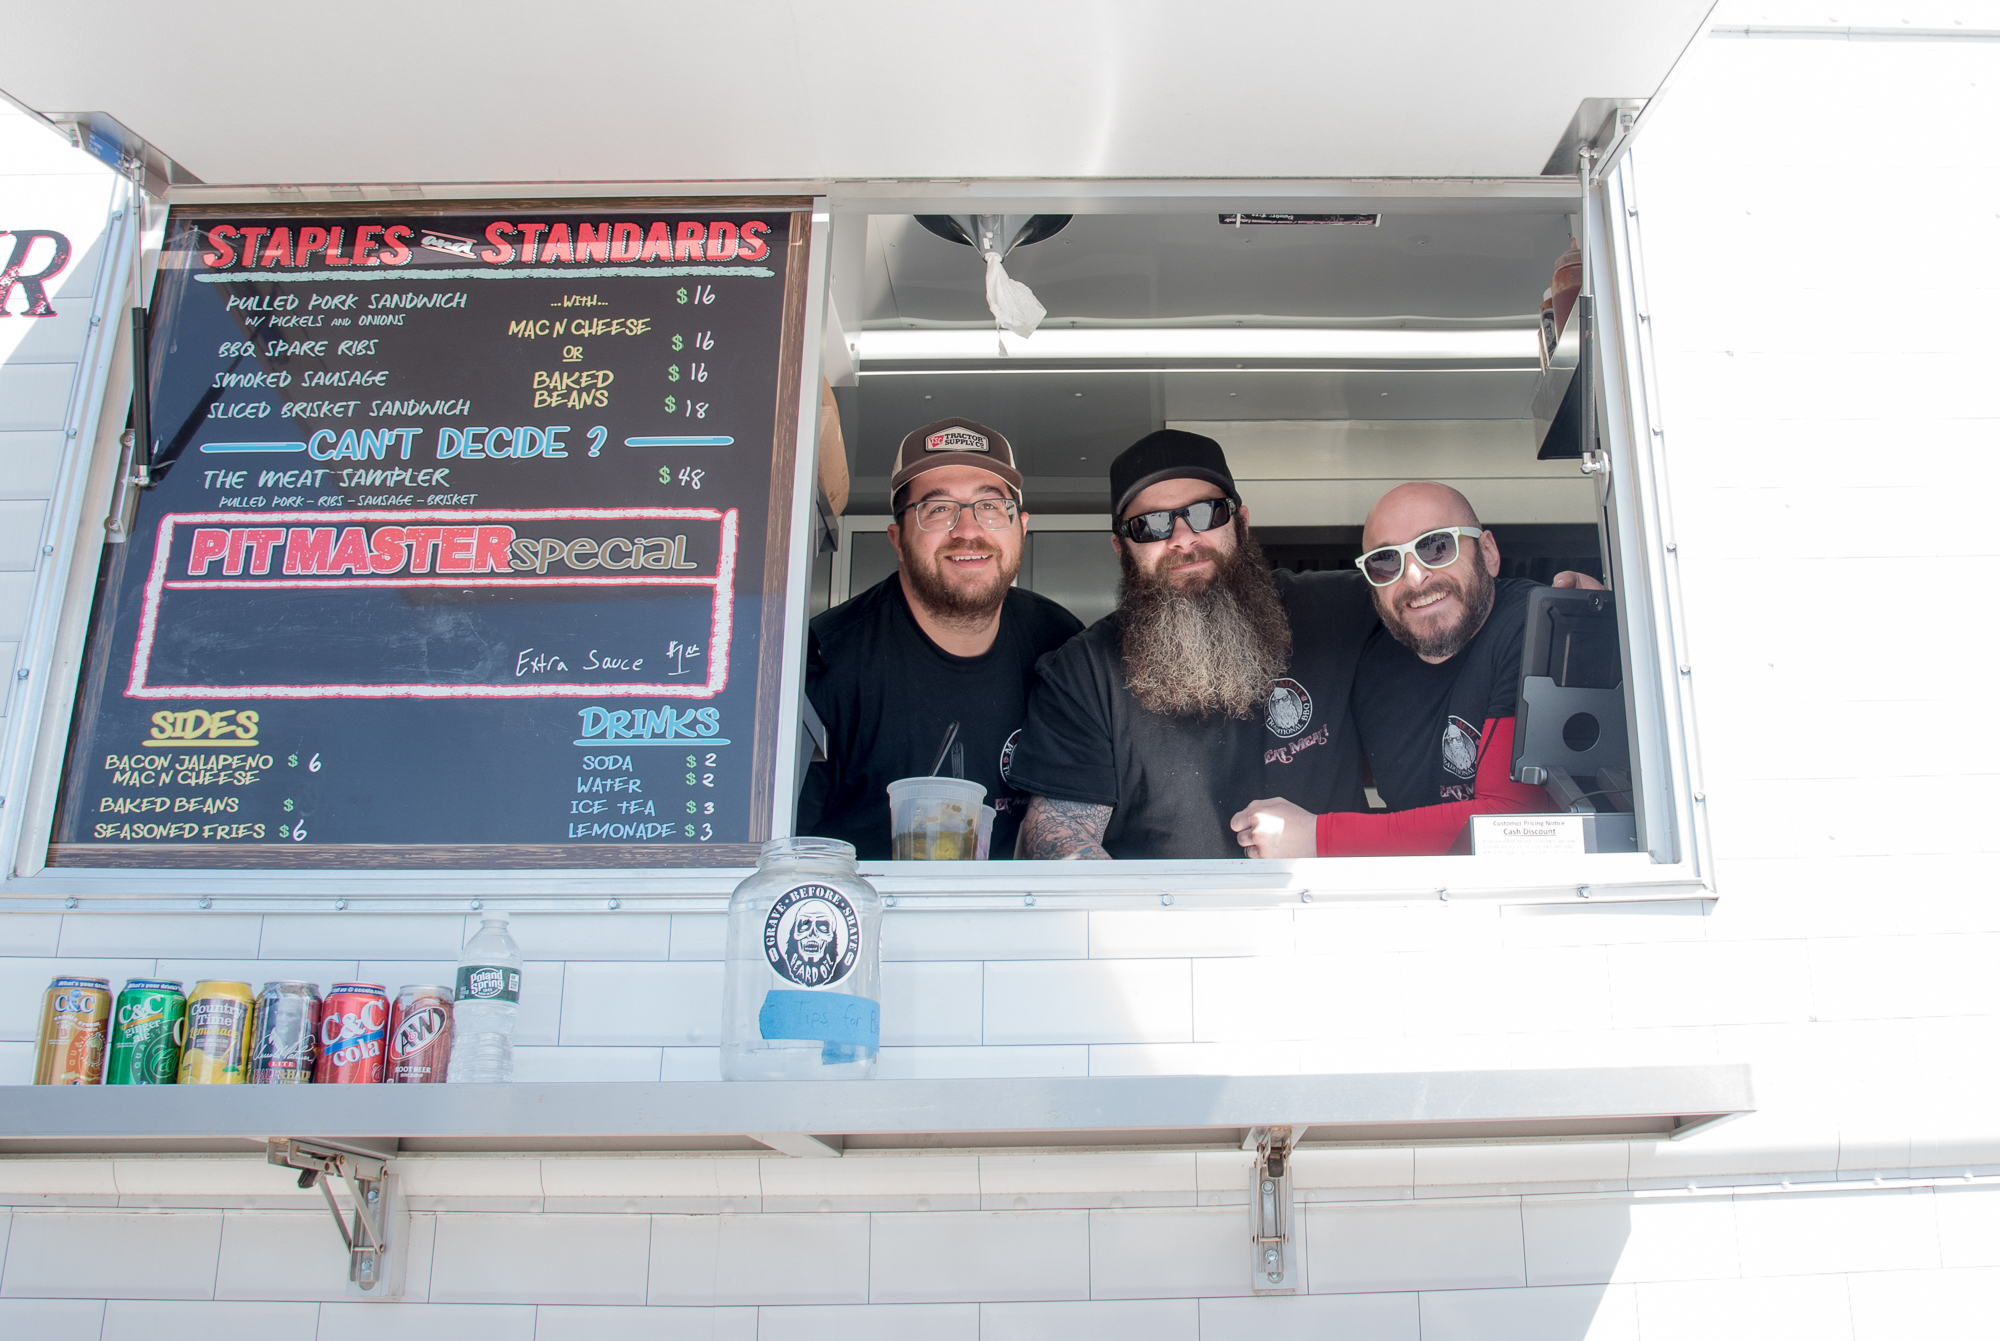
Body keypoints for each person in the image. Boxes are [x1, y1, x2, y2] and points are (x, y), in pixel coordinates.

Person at [1007, 430, 1373, 859]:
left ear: (1241, 521)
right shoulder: (1083, 672)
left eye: (1206, 512)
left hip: (1329, 917)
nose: (1182, 537)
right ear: (1120, 549)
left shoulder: (1332, 611)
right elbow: (1060, 831)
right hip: (1159, 921)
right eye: (1150, 525)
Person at [796, 417, 1082, 859]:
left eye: (990, 507)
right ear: (897, 537)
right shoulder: (825, 664)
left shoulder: (1061, 644)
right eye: (938, 509)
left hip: (1025, 917)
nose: (968, 530)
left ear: (1021, 526)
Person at [1229, 481, 1560, 858]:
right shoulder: (1372, 666)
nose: (1414, 577)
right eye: (1385, 561)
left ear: (1487, 552)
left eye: (1437, 546)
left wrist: (1318, 838)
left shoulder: (1534, 627)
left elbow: (1513, 825)